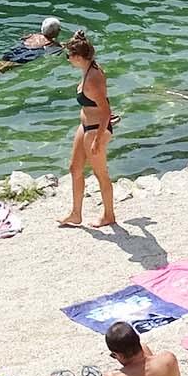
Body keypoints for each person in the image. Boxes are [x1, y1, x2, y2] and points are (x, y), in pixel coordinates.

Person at [55, 32, 118, 230]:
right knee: (74, 168)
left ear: (79, 57)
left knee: (101, 173)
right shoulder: (88, 68)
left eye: (69, 55)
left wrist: (98, 140)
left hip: (96, 128)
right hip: (85, 125)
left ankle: (109, 215)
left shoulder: (93, 78)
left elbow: (106, 110)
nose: (68, 59)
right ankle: (75, 214)